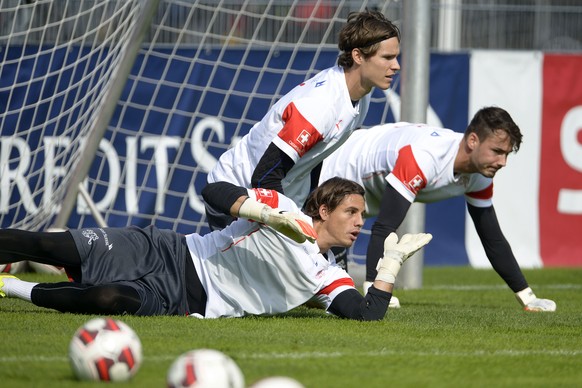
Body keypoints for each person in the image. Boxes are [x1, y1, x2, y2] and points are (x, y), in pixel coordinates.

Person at [0, 178, 432, 320]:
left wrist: (389, 265)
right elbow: (213, 190)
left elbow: (366, 313)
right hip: (164, 250)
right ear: (323, 208)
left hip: (185, 300)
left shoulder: (328, 276)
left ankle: (10, 286)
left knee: (106, 298)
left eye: (362, 215)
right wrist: (262, 214)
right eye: (353, 212)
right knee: (40, 242)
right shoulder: (281, 207)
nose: (360, 222)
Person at [317, 107, 556, 312]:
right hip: (333, 164)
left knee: (333, 284)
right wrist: (373, 288)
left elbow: (492, 238)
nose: (503, 162)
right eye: (497, 151)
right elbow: (386, 225)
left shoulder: (480, 175)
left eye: (506, 154)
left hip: (367, 190)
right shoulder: (425, 156)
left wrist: (528, 297)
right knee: (314, 260)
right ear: (473, 141)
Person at [206, 10, 401, 231]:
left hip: (273, 195)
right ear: (358, 56)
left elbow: (316, 155)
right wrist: (285, 227)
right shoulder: (320, 106)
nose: (396, 65)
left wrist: (308, 209)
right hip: (238, 194)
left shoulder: (359, 98)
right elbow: (265, 175)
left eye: (395, 57)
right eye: (387, 57)